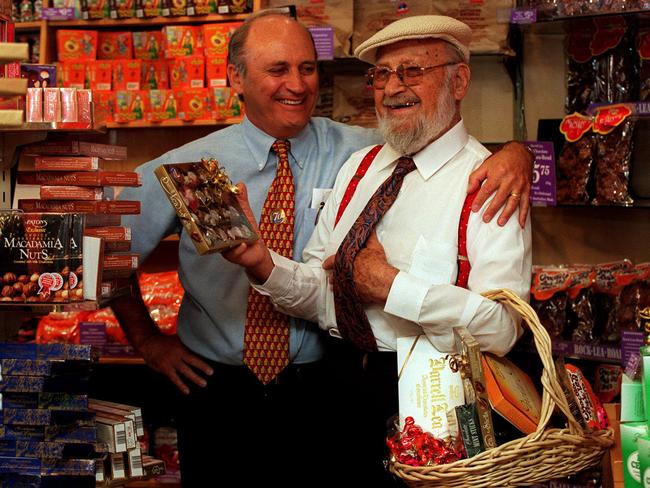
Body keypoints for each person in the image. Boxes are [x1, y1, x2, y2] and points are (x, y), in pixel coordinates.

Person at [112, 10, 533, 487]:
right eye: (277, 69)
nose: (296, 84)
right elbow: (100, 253)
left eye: (307, 68)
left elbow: (444, 143)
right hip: (219, 387)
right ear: (236, 78)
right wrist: (149, 342)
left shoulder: (361, 150)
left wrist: (516, 153)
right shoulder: (192, 164)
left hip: (336, 391)